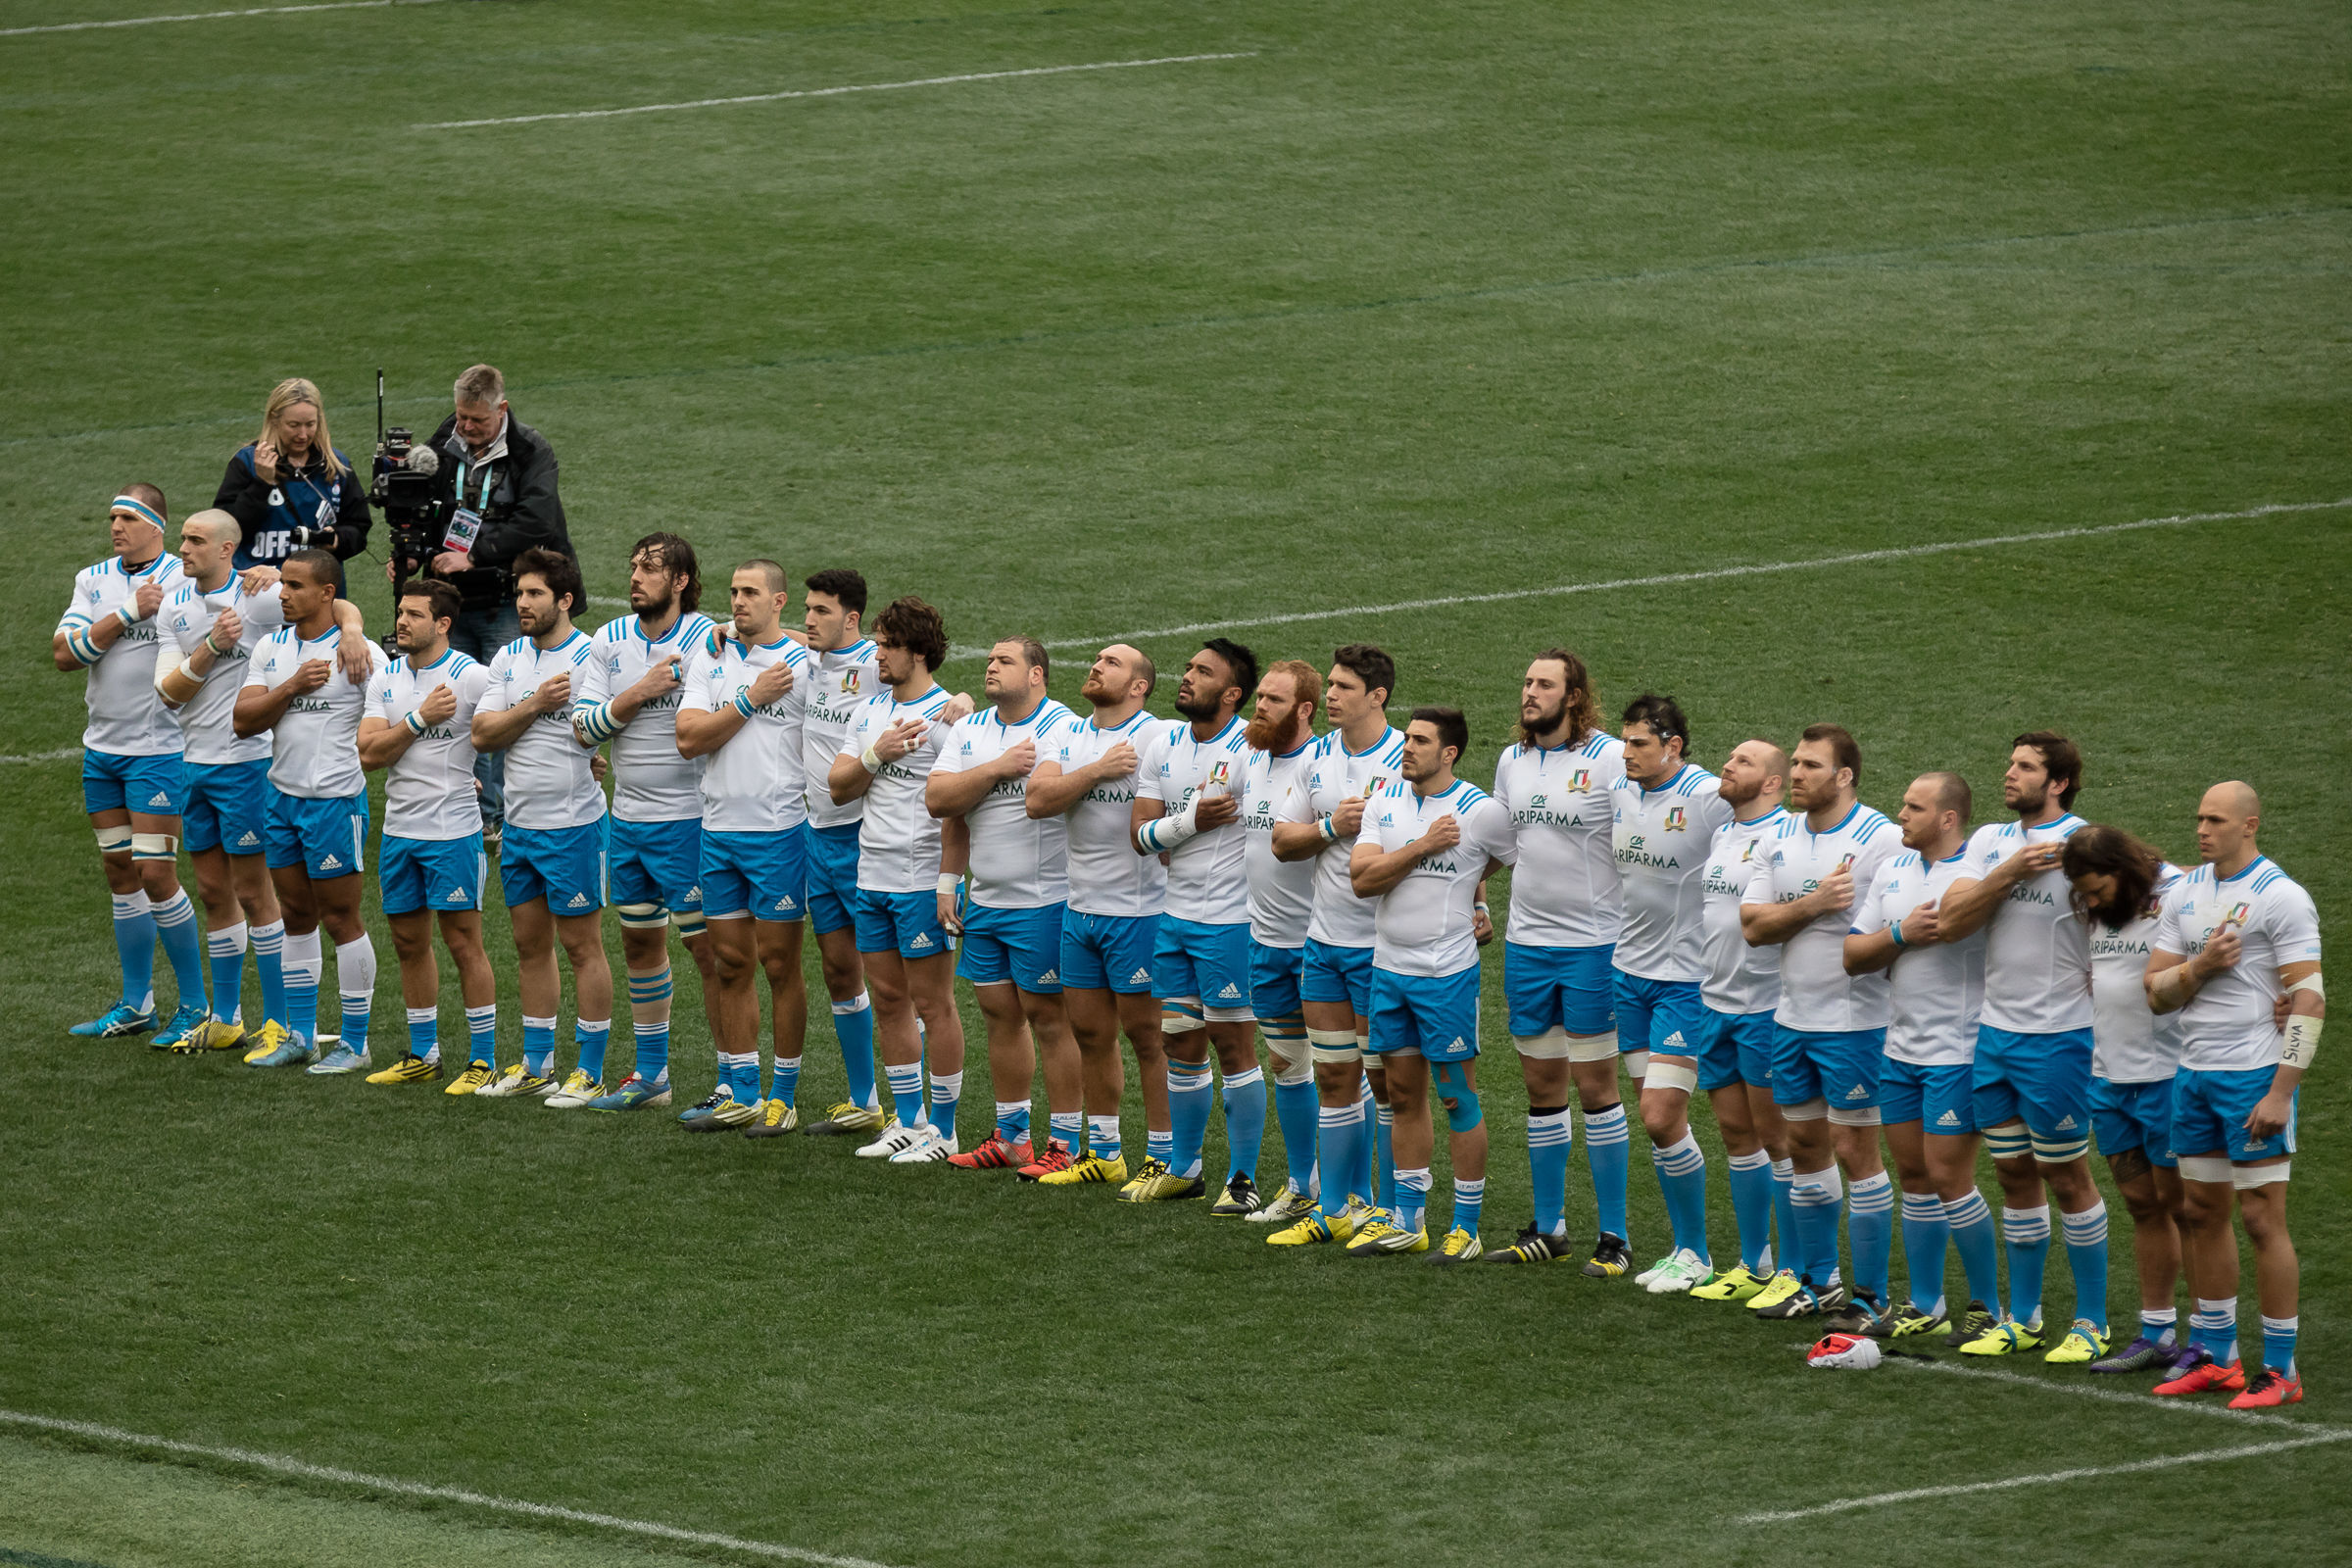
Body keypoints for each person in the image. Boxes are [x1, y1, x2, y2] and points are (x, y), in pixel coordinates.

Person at [155, 510, 367, 1058]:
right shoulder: (173, 604)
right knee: (212, 892)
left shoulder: (261, 595)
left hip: (248, 765)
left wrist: (352, 629)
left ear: (227, 548)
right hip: (193, 762)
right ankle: (227, 1018)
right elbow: (169, 693)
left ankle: (278, 1021)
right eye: (183, 538)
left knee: (255, 894)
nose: (184, 548)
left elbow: (333, 600)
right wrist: (211, 645)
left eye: (195, 539)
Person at [1935, 732, 2109, 1362]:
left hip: (2059, 1039)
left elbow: (2146, 902)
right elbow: (1953, 917)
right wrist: (2010, 871)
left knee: (2067, 1175)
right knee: (2012, 1172)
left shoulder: (2085, 844)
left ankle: (2091, 1321)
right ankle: (2025, 1318)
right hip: (1995, 1035)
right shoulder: (1989, 841)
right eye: (2011, 763)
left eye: (2027, 767)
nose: (2010, 774)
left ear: (2058, 783)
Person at [2146, 783, 2322, 1408]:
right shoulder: (2185, 893)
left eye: (2216, 820)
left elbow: (2309, 1001)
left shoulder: (2281, 896)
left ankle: (2281, 1369)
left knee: (2261, 1218)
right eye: (2199, 818)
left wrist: (2281, 1092)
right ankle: (2219, 1358)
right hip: (2193, 1074)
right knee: (2200, 1212)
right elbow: (2156, 992)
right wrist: (2200, 968)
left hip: (2253, 1074)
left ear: (2250, 825)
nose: (2202, 829)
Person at [1739, 723, 1902, 1320]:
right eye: (1797, 763)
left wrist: (1792, 913)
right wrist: (1815, 904)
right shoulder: (1778, 835)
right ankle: (1819, 1281)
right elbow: (1753, 927)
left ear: (1844, 775)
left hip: (1856, 1023)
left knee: (1855, 1151)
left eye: (1811, 765)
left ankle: (1872, 1295)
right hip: (1791, 1019)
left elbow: (1895, 926)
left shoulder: (1881, 838)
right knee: (1804, 1147)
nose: (1798, 774)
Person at [1347, 707, 1516, 1262]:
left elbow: (1514, 860)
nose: (1408, 747)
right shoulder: (1384, 800)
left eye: (1420, 740)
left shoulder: (1480, 811)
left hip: (1446, 976)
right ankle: (1409, 1220)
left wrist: (1475, 894)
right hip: (1389, 971)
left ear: (1449, 753)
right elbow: (1362, 880)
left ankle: (1466, 1228)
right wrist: (1422, 846)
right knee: (1401, 1096)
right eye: (1408, 738)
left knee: (1455, 1096)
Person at [1484, 649, 1632, 1270]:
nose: (1530, 692)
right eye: (1526, 681)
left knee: (1596, 1088)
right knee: (1542, 1087)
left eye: (1544, 684)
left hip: (1593, 949)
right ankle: (1550, 1229)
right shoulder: (1511, 761)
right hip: (1526, 947)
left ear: (1574, 696)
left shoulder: (1611, 759)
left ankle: (1615, 1237)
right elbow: (1500, 844)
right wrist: (1473, 895)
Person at [1840, 772, 1993, 1339]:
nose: (1900, 814)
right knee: (1914, 1176)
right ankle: (1926, 1304)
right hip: (1899, 1048)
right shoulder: (1893, 869)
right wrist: (1901, 935)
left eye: (1914, 807)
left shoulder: (1975, 876)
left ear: (1948, 818)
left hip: (1958, 1050)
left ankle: (1987, 1308)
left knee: (1950, 1176)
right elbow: (1853, 954)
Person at [571, 534, 720, 1113]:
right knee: (639, 945)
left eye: (651, 568)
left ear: (680, 581)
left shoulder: (709, 639)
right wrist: (639, 692)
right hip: (628, 821)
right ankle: (653, 1075)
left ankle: (733, 1079)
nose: (636, 577)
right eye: (634, 566)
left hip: (690, 821)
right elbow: (583, 728)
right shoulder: (609, 639)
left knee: (710, 954)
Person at [55, 488, 206, 1044]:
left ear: (156, 525)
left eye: (128, 517)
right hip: (102, 751)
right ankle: (137, 1003)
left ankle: (196, 1005)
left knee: (156, 874)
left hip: (159, 751)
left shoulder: (185, 577)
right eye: (113, 517)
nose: (116, 526)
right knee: (120, 872)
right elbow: (64, 654)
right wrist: (126, 614)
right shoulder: (93, 579)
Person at [1266, 644, 1405, 1246]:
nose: (1330, 695)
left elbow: (1452, 839)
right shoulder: (1317, 756)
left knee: (1389, 1084)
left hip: (1384, 949)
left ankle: (1390, 1210)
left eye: (1344, 687)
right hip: (1323, 945)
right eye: (1330, 685)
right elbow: (1282, 840)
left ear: (1377, 696)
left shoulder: (1406, 757)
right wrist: (1331, 827)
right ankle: (1336, 1208)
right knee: (1333, 1078)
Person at [927, 638, 1081, 1175]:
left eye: (1004, 661)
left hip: (1044, 901)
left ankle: (1065, 1143)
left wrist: (978, 779)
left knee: (1049, 1020)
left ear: (1036, 674)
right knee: (999, 1017)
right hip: (985, 901)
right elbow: (941, 802)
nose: (990, 667)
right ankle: (1012, 1137)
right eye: (990, 660)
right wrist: (948, 881)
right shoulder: (970, 729)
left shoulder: (1062, 726)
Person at [827, 597, 968, 1163]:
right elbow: (838, 787)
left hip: (922, 881)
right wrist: (877, 754)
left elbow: (957, 810)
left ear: (918, 652)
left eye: (888, 646)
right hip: (872, 877)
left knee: (934, 1004)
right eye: (878, 644)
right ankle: (908, 1122)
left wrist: (948, 880)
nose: (877, 655)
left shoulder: (949, 719)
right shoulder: (868, 712)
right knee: (888, 1000)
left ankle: (945, 1130)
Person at [674, 561, 812, 1131]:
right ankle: (742, 1090)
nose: (737, 601)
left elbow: (883, 660)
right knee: (729, 963)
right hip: (717, 832)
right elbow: (689, 738)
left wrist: (955, 699)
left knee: (779, 965)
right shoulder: (710, 656)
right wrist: (752, 698)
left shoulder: (806, 663)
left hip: (779, 834)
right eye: (733, 592)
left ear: (779, 601)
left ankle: (784, 1096)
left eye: (750, 592)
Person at [1026, 644, 1170, 1188]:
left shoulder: (1158, 737)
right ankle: (1106, 1153)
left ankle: (1163, 1156)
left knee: (1148, 1038)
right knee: (1089, 1034)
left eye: (1111, 663)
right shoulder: (1068, 734)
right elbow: (1038, 800)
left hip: (1139, 912)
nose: (1096, 665)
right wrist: (1098, 770)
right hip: (1080, 909)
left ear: (1138, 686)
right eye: (1098, 659)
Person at [468, 549, 611, 1100]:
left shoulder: (592, 654)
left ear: (565, 600)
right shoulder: (509, 657)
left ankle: (590, 1070)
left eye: (534, 594)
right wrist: (533, 704)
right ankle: (536, 1064)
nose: (521, 603)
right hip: (520, 826)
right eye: (519, 593)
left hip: (573, 824)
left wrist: (594, 756)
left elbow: (611, 722)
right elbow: (483, 734)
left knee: (582, 947)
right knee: (529, 946)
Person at [1124, 639, 1262, 1204]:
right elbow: (1140, 836)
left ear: (1231, 693)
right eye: (1188, 668)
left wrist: (1172, 831)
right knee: (1179, 1042)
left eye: (1203, 672)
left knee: (1233, 1047)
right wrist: (1190, 822)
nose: (1187, 676)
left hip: (1231, 924)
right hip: (1174, 920)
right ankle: (1184, 1168)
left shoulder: (1253, 749)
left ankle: (1243, 1179)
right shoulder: (1164, 744)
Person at [231, 549, 380, 1073]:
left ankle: (356, 1044)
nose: (284, 594)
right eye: (283, 584)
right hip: (281, 800)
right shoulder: (271, 647)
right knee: (295, 916)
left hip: (335, 803)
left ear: (327, 594)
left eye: (295, 586)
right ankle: (301, 1036)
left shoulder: (360, 653)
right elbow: (243, 721)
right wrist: (293, 685)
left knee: (341, 918)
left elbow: (390, 716)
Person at [1609, 694, 1735, 1295]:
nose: (1627, 753)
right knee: (1659, 1122)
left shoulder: (1708, 798)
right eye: (1625, 742)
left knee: (1660, 1116)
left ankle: (1701, 1252)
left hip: (1684, 982)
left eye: (1640, 743)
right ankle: (1686, 1249)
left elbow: (1764, 833)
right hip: (1627, 977)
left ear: (1673, 746)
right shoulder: (1621, 790)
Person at [355, 579, 499, 1087]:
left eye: (414, 615)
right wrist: (418, 719)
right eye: (400, 612)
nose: (401, 622)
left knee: (464, 943)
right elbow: (368, 754)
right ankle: (424, 1055)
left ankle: (483, 1061)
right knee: (407, 943)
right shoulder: (386, 678)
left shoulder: (471, 677)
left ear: (443, 624)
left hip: (453, 831)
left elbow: (508, 731)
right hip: (400, 832)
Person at [421, 366, 572, 849]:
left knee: (508, 703)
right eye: (461, 417)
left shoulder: (531, 449)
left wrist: (475, 553)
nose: (466, 427)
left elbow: (537, 520)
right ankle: (472, 808)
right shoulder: (445, 437)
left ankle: (504, 812)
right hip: (456, 599)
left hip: (509, 599)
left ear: (501, 410)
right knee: (458, 703)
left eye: (477, 420)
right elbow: (426, 503)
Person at [2063, 824, 2193, 1373]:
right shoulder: (2100, 905)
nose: (2091, 903)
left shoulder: (2179, 892)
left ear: (2123, 870)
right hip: (2109, 1078)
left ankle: (2208, 1337)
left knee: (2185, 1209)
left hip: (2168, 1075)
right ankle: (2157, 1334)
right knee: (2142, 1205)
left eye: (2097, 890)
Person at [1687, 739, 1798, 1303]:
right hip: (1716, 1003)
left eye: (1743, 762)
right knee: (1736, 1135)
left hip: (1765, 1008)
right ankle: (1755, 1262)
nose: (1727, 767)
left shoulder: (1788, 838)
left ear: (1773, 783)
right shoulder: (1724, 833)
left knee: (1780, 1140)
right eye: (1729, 759)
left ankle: (1795, 1270)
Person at [1234, 659, 1322, 1219]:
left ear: (1304, 709)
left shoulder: (1322, 764)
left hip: (1321, 945)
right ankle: (1302, 1184)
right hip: (1266, 943)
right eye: (1259, 697)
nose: (1260, 707)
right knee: (1288, 1066)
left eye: (1273, 700)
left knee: (1345, 1072)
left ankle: (1356, 1197)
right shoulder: (1252, 758)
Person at [213, 378, 370, 570]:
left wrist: (337, 540)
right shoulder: (247, 462)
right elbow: (225, 531)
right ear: (274, 420)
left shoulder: (336, 465)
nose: (303, 434)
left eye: (310, 424)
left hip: (317, 584)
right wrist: (262, 483)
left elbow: (359, 527)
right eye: (294, 425)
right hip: (257, 584)